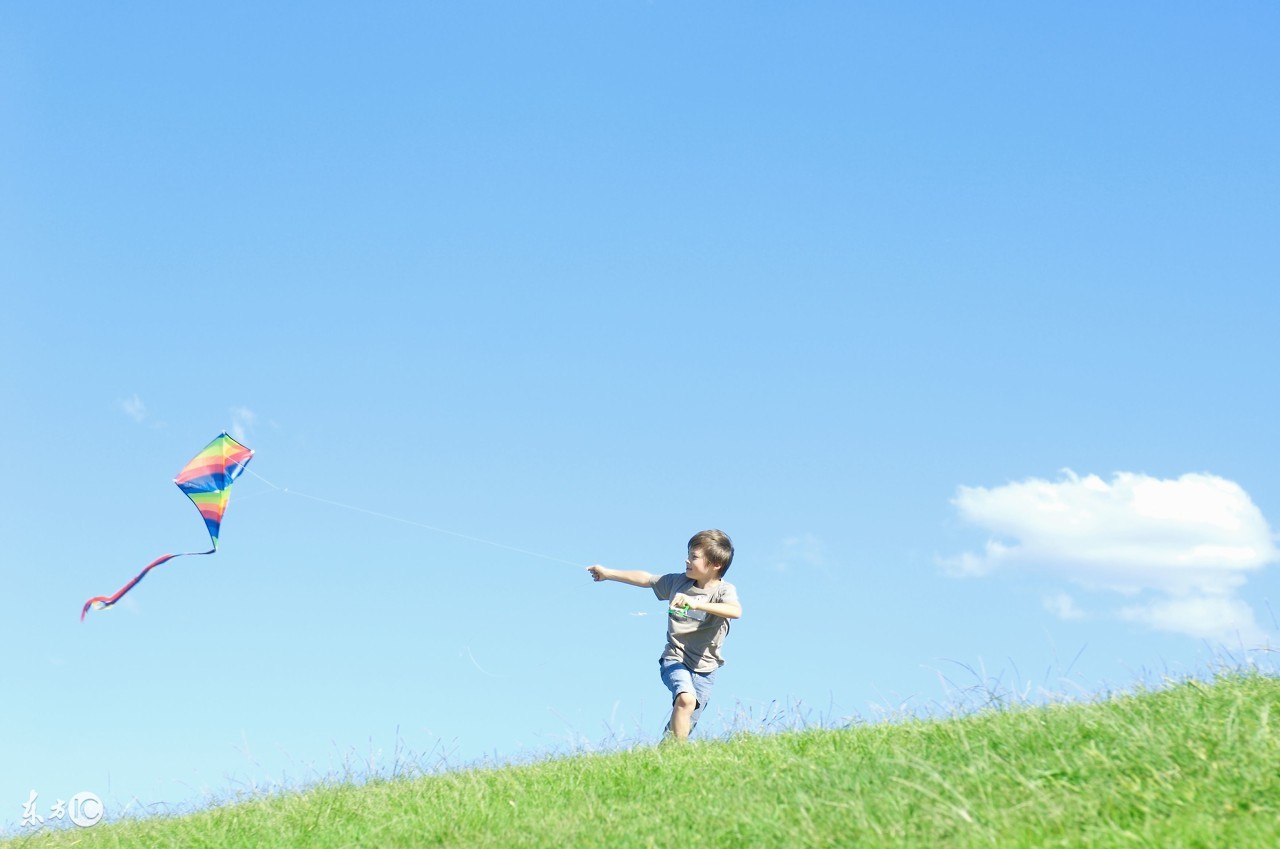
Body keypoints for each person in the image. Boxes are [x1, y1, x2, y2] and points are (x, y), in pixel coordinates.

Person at [586, 529, 742, 741]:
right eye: (688, 554)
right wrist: (608, 573)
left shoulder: (724, 591)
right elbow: (646, 579)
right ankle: (679, 754)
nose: (686, 560)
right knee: (686, 700)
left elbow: (735, 611)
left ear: (716, 565)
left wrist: (697, 603)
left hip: (706, 670)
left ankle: (666, 758)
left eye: (694, 557)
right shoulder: (678, 583)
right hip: (675, 659)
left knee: (683, 724)